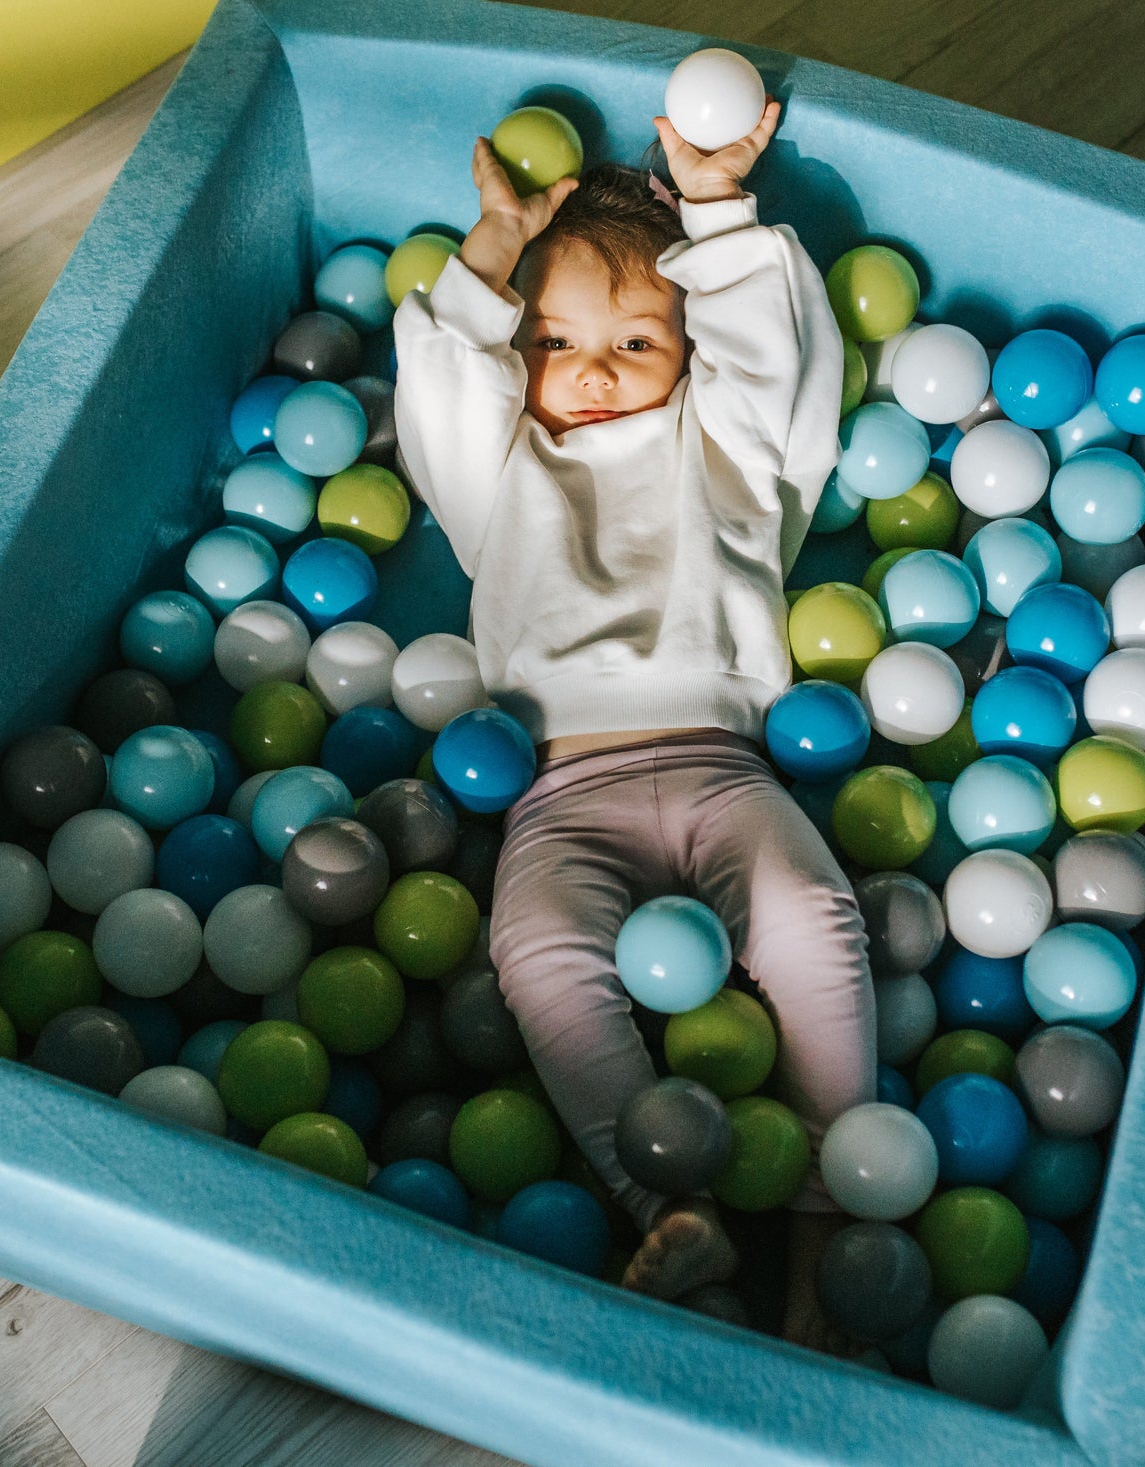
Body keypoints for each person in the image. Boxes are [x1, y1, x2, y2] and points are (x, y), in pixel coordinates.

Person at [392, 102, 875, 1347]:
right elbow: (441, 387)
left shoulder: (723, 453)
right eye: (554, 340)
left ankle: (834, 1212)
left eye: (637, 339)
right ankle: (666, 1201)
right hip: (559, 790)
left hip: (724, 765)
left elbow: (773, 366)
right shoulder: (496, 476)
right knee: (539, 949)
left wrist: (715, 210)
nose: (594, 371)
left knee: (813, 921)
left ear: (689, 351)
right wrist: (493, 251)